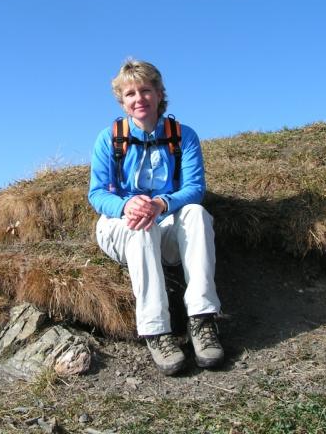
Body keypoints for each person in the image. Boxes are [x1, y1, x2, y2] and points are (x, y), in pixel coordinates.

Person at [88, 59, 224, 375]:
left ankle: (202, 319)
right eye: (130, 93)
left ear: (160, 93)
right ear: (122, 101)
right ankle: (156, 331)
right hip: (122, 227)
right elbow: (97, 194)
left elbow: (195, 189)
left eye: (146, 90)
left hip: (168, 223)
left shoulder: (184, 136)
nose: (139, 99)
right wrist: (127, 206)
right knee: (141, 226)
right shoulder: (108, 139)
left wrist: (161, 203)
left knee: (196, 213)